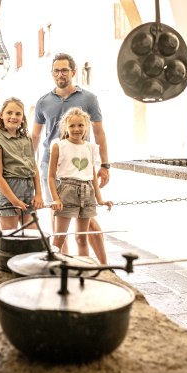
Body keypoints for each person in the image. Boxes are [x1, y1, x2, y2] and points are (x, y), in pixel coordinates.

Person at [31, 53, 110, 261]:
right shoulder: (43, 102)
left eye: (64, 70)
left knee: (89, 220)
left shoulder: (89, 98)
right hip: (52, 164)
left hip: (81, 165)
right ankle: (64, 264)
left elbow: (100, 132)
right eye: (56, 70)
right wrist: (30, 165)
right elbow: (36, 135)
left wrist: (105, 165)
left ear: (73, 72)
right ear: (52, 73)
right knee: (58, 217)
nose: (60, 74)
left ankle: (103, 264)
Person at [48, 107, 113, 259]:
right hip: (67, 192)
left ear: (86, 126)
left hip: (87, 192)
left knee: (81, 237)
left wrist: (100, 199)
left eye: (80, 125)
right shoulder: (59, 146)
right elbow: (50, 176)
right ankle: (54, 271)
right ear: (65, 127)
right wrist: (56, 198)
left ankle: (83, 272)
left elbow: (92, 176)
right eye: (72, 126)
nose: (76, 129)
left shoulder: (90, 147)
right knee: (59, 238)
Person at [0, 97, 44, 230]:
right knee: (10, 240)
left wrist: (38, 194)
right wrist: (15, 201)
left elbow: (33, 166)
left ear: (23, 118)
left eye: (18, 114)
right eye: (9, 113)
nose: (13, 117)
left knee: (34, 236)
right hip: (9, 193)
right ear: (1, 115)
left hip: (28, 191)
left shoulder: (26, 139)